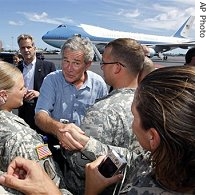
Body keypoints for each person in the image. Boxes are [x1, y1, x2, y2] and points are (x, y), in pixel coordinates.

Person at [0, 65, 195, 195]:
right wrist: (86, 143)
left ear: (153, 137)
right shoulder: (166, 161)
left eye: (134, 116)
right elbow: (134, 160)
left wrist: (87, 191)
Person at [59, 38, 145, 194]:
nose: (102, 68)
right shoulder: (151, 104)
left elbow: (81, 165)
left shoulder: (102, 110)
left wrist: (66, 146)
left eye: (104, 63)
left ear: (117, 68)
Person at [34, 36, 108, 166]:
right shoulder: (51, 80)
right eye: (66, 61)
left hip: (85, 155)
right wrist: (60, 129)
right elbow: (40, 115)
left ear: (88, 64)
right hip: (54, 147)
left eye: (76, 63)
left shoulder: (99, 84)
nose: (68, 68)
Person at [0, 61, 67, 194]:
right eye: (21, 88)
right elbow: (48, 185)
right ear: (3, 95)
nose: (25, 91)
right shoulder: (21, 138)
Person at [16, 34, 56, 134]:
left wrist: (39, 94)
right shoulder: (16, 69)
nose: (26, 50)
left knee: (44, 146)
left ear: (34, 48)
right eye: (23, 47)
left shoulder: (48, 66)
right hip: (23, 114)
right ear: (20, 50)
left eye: (28, 47)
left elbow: (56, 91)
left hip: (43, 113)